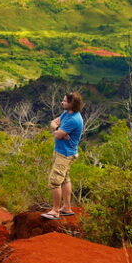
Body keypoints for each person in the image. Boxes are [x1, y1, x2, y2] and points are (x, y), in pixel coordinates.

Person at [42, 91, 84, 220]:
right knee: (65, 178)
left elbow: (57, 133)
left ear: (72, 103)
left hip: (65, 154)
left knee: (55, 181)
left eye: (65, 101)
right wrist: (57, 128)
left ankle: (55, 211)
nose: (62, 102)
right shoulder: (67, 113)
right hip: (62, 151)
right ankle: (66, 207)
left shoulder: (73, 119)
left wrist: (56, 129)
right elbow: (55, 126)